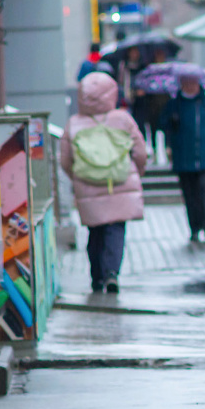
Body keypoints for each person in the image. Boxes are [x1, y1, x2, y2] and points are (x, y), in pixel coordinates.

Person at [61, 72, 147, 293]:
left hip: (87, 185)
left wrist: (77, 177)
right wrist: (136, 171)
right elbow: (140, 152)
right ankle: (112, 273)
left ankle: (96, 277)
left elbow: (65, 160)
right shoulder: (123, 119)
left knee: (95, 231)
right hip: (120, 182)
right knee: (116, 229)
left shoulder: (74, 123)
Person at [162, 66, 205, 242]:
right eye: (187, 82)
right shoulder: (173, 105)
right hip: (183, 157)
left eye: (194, 82)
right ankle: (194, 227)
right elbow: (163, 126)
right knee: (189, 194)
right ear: (181, 83)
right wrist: (171, 123)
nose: (191, 85)